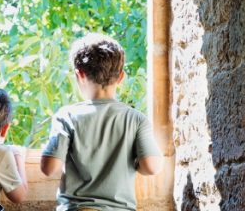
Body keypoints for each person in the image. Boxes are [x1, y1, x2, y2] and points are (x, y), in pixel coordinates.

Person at [40, 33, 163, 211]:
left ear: (79, 75)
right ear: (121, 77)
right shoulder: (136, 119)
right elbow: (151, 167)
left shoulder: (66, 116)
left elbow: (49, 168)